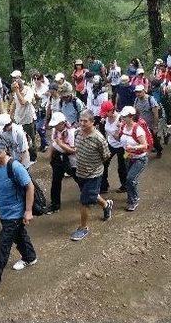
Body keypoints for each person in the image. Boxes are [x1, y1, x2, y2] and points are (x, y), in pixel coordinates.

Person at [0, 138, 37, 298]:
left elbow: (29, 186)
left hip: (15, 213)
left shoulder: (15, 167)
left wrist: (28, 211)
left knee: (2, 246)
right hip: (3, 212)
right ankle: (30, 257)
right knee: (19, 235)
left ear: (6, 151)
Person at [70, 110, 113, 241]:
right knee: (91, 195)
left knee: (84, 201)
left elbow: (106, 156)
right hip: (80, 172)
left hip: (93, 174)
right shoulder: (77, 133)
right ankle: (106, 205)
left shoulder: (99, 138)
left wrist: (94, 165)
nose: (82, 123)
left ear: (92, 122)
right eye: (80, 120)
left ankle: (83, 228)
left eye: (85, 121)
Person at [45, 111, 79, 213]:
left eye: (56, 125)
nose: (55, 127)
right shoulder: (55, 131)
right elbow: (53, 144)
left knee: (78, 178)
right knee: (56, 181)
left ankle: (91, 195)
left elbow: (73, 150)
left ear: (62, 123)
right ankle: (55, 204)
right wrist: (50, 157)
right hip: (57, 158)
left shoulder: (71, 132)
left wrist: (61, 144)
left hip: (70, 159)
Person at [117, 106, 148, 212]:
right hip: (128, 156)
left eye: (124, 117)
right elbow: (119, 139)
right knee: (129, 179)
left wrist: (133, 147)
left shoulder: (138, 129)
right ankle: (132, 195)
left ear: (131, 117)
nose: (122, 118)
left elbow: (145, 145)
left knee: (130, 179)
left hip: (139, 159)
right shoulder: (123, 127)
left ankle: (133, 200)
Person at [10, 70, 37, 164]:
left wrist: (17, 91)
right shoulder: (15, 91)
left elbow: (23, 102)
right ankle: (23, 155)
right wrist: (10, 114)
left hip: (28, 118)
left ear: (20, 79)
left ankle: (33, 157)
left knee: (30, 138)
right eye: (13, 79)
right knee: (20, 138)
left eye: (16, 78)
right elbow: (14, 102)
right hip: (18, 118)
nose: (14, 81)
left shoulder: (28, 90)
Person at [100, 101, 127, 193]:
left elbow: (118, 138)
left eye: (105, 113)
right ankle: (103, 186)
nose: (104, 115)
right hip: (110, 144)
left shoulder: (120, 119)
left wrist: (119, 128)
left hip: (122, 147)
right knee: (104, 163)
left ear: (111, 110)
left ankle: (125, 185)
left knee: (122, 166)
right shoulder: (106, 118)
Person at [133, 84, 162, 158]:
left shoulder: (151, 99)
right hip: (141, 125)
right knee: (141, 139)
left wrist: (155, 126)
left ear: (144, 91)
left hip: (150, 125)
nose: (138, 94)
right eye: (136, 92)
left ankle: (159, 150)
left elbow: (156, 114)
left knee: (153, 139)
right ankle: (144, 152)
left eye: (139, 92)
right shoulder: (136, 100)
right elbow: (135, 111)